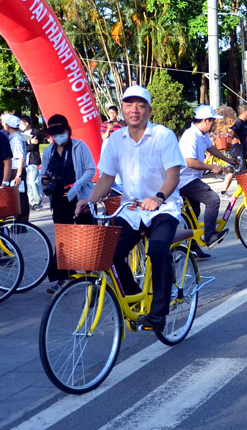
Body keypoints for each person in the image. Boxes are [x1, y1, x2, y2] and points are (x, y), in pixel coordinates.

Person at [76, 85, 185, 331]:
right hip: (131, 210)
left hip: (163, 209)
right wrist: (90, 201)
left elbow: (173, 176)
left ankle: (158, 313)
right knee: (108, 253)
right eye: (128, 105)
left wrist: (158, 198)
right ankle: (134, 295)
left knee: (158, 252)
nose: (134, 110)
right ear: (122, 110)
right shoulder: (115, 139)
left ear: (149, 109)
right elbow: (106, 178)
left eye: (140, 105)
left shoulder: (163, 135)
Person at [41, 114, 97, 293]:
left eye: (61, 132)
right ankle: (63, 278)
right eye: (54, 133)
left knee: (86, 234)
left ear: (68, 130)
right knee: (64, 239)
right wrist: (44, 181)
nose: (58, 136)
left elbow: (91, 170)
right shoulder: (48, 151)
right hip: (58, 199)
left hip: (80, 197)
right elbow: (44, 173)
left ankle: (91, 275)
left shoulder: (80, 146)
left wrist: (76, 186)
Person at [178, 105, 238, 248]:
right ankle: (209, 236)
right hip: (184, 180)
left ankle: (193, 247)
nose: (214, 124)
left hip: (193, 178)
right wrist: (212, 167)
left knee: (194, 212)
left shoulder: (202, 134)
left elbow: (211, 148)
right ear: (205, 120)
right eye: (212, 121)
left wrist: (228, 160)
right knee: (213, 200)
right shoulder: (190, 136)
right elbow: (189, 161)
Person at [2, 115, 31, 222]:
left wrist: (18, 174)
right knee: (16, 196)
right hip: (14, 169)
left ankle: (22, 221)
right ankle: (18, 220)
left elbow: (21, 157)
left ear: (8, 125)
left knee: (20, 196)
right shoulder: (14, 137)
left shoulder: (17, 138)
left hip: (16, 169)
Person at [220, 104, 247, 196]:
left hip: (242, 150)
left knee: (232, 172)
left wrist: (246, 150)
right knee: (242, 172)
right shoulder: (238, 122)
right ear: (244, 111)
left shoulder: (244, 123)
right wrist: (236, 138)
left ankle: (223, 191)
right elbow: (230, 130)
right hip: (237, 151)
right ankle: (246, 191)